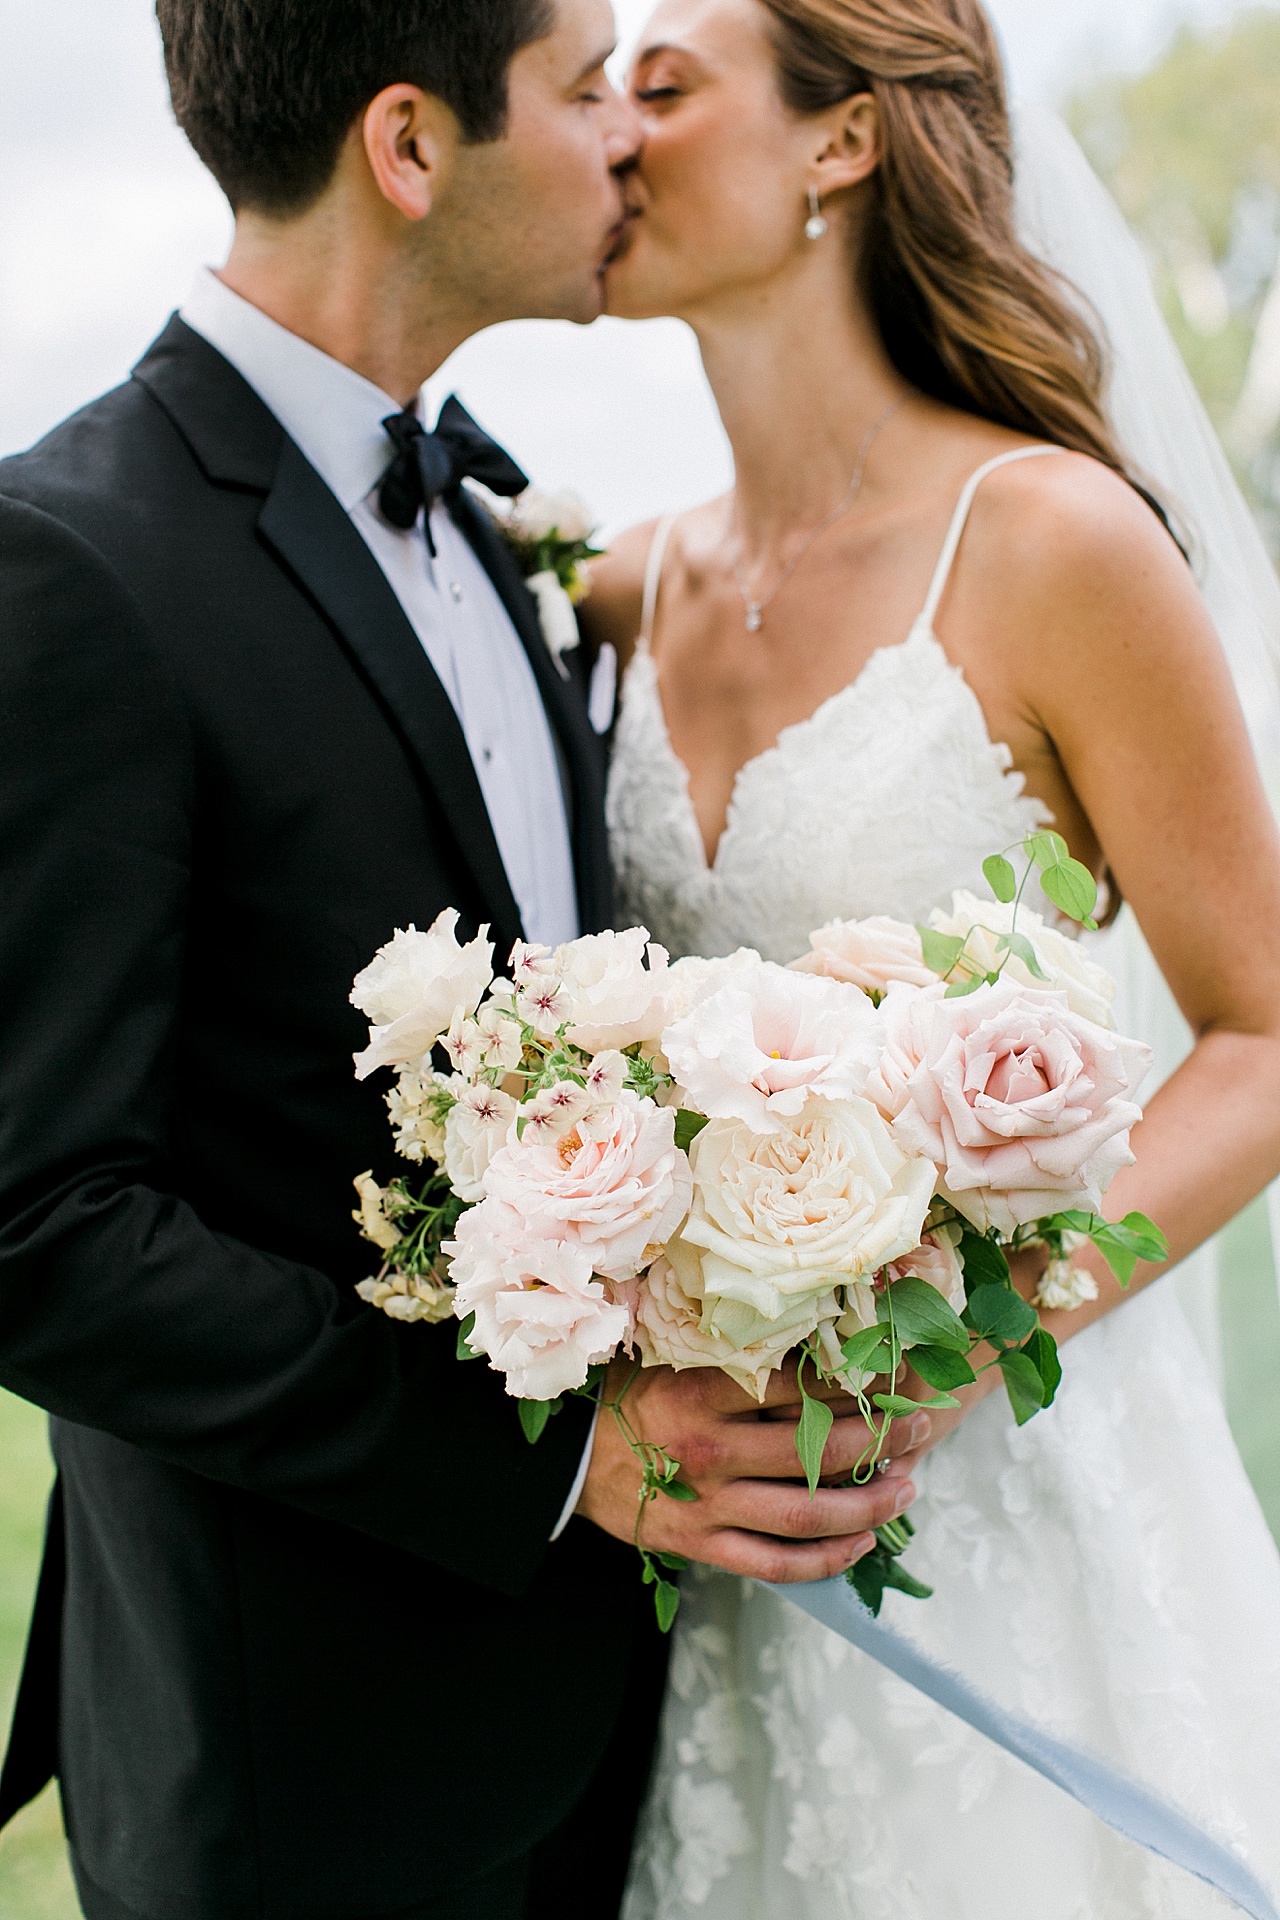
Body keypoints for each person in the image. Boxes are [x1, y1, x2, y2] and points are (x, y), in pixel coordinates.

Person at [0, 4, 924, 1917]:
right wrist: (561, 1465)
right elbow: (39, 1227)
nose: (627, 144)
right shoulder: (71, 564)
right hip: (301, 1775)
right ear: (411, 148)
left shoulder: (503, 539)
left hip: (607, 1731)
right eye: (588, 92)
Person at [583, 0, 1280, 1912]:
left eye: (664, 87)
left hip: (1009, 1494)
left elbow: (1266, 1032)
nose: (607, 137)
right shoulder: (617, 586)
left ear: (840, 142)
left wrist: (975, 1337)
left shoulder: (1052, 543)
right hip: (723, 1523)